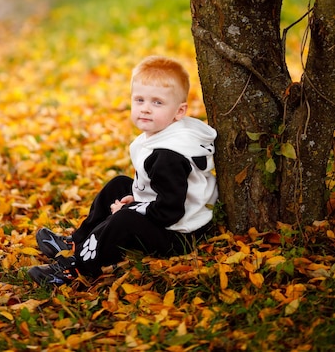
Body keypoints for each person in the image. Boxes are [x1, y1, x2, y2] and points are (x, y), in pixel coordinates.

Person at [28, 55, 217, 286]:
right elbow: (159, 191)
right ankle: (78, 241)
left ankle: (79, 267)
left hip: (180, 234)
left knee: (125, 219)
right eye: (139, 100)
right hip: (171, 212)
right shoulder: (164, 135)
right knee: (119, 185)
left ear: (179, 111)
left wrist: (134, 208)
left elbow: (170, 211)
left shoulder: (168, 156)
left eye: (157, 103)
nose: (146, 109)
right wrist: (137, 199)